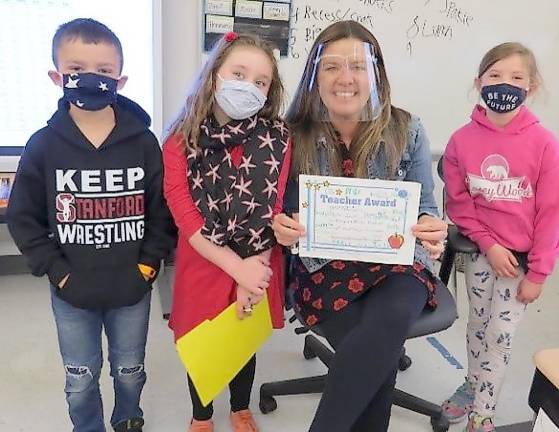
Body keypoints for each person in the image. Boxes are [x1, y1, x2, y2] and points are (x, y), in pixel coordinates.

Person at [272, 20, 447, 432]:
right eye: (331, 66)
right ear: (315, 75)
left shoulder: (408, 129)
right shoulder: (289, 135)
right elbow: (281, 212)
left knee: (379, 334)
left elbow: (424, 208)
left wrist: (430, 228)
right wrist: (283, 226)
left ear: (376, 73)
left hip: (397, 264)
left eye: (357, 65)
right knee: (377, 357)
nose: (345, 78)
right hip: (324, 268)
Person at [7, 18, 174, 432]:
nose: (91, 80)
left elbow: (161, 211)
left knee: (130, 369)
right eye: (77, 70)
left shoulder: (142, 143)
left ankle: (128, 418)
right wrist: (58, 272)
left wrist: (148, 265)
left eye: (103, 72)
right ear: (57, 77)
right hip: (71, 291)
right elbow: (23, 218)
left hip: (131, 288)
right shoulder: (43, 145)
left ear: (120, 80)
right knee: (80, 379)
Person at [162, 31, 291, 432]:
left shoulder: (277, 139)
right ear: (215, 74)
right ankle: (201, 415)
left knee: (240, 339)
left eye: (260, 82)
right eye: (239, 73)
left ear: (269, 92)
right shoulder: (180, 140)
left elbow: (273, 209)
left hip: (258, 258)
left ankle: (240, 407)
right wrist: (236, 269)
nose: (248, 86)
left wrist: (250, 277)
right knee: (201, 342)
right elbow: (185, 216)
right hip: (204, 258)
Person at [441, 42, 559, 432]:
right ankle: (472, 385)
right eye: (494, 76)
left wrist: (539, 273)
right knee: (477, 325)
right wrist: (488, 244)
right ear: (479, 83)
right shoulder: (461, 141)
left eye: (516, 77)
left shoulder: (545, 144)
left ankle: (483, 413)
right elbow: (459, 206)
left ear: (533, 86)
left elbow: (551, 213)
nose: (504, 84)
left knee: (501, 336)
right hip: (481, 253)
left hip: (521, 264)